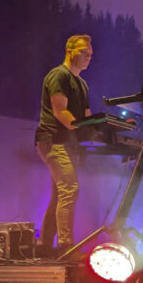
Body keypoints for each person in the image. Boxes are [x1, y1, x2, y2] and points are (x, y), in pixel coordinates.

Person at [34, 34, 93, 254]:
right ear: (69, 51)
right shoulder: (58, 75)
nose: (88, 57)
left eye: (90, 54)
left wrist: (102, 129)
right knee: (69, 189)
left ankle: (44, 245)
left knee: (59, 194)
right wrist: (81, 126)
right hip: (52, 141)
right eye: (83, 52)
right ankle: (66, 246)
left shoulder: (82, 84)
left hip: (67, 144)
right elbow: (61, 112)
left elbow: (86, 117)